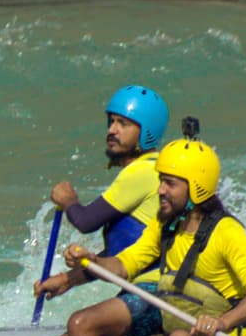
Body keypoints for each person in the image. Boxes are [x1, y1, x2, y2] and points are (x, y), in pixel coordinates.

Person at [30, 136, 246, 336]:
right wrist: (91, 260)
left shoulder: (227, 232)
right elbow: (124, 265)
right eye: (160, 181)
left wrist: (222, 323)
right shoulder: (166, 225)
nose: (160, 190)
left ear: (196, 187)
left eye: (170, 184)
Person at [46, 84, 174, 270]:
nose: (112, 130)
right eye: (112, 121)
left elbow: (86, 221)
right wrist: (68, 280)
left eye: (123, 123)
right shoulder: (154, 166)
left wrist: (68, 201)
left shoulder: (141, 172)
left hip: (157, 284)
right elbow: (123, 250)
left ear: (147, 131)